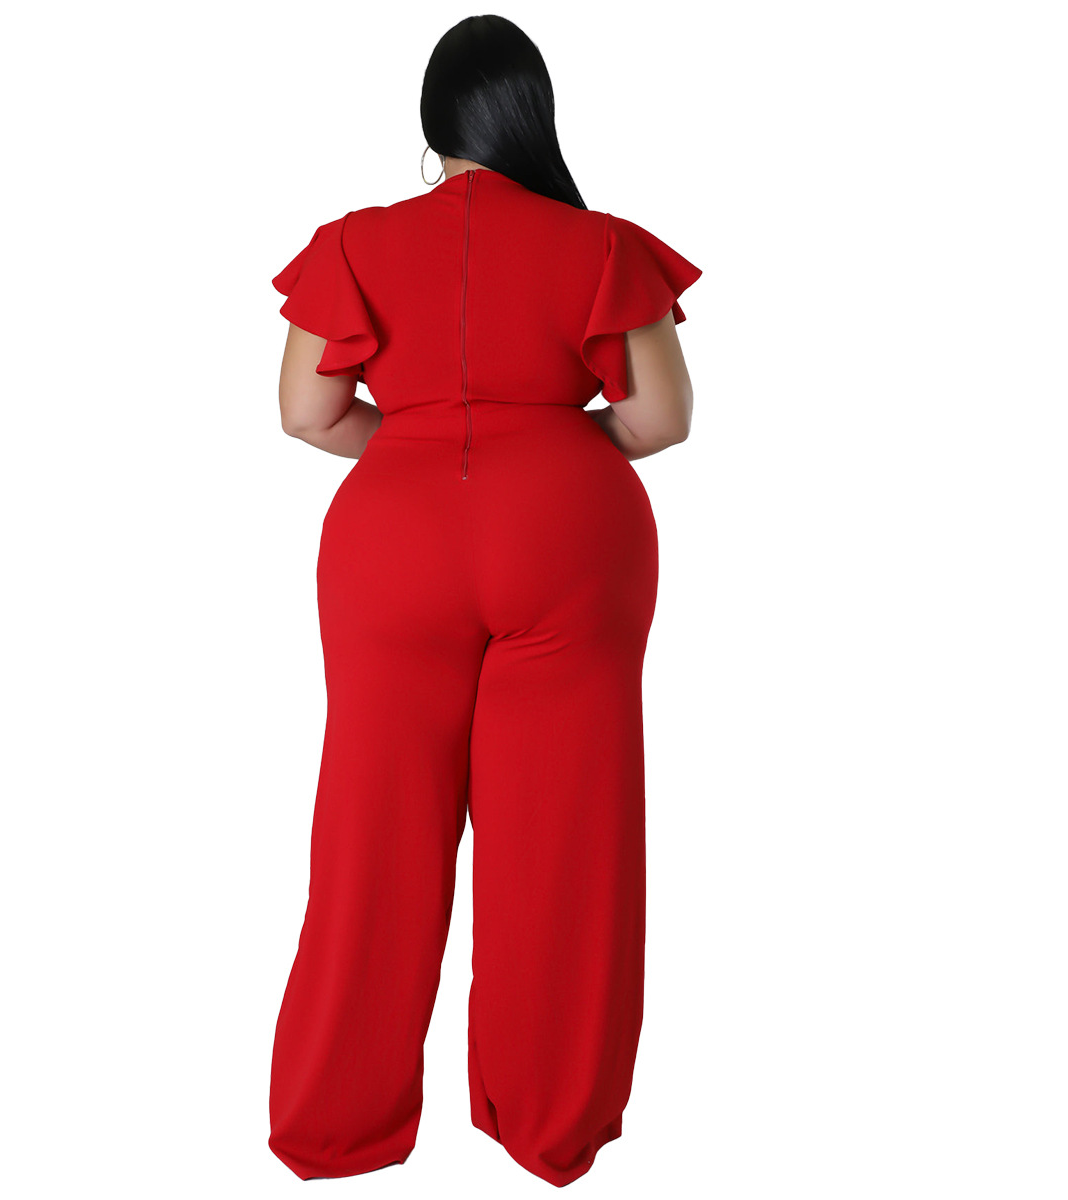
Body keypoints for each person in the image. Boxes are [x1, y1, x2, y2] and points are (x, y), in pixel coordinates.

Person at [267, 14, 701, 1189]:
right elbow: (660, 420)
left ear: (433, 123)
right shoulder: (601, 245)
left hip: (391, 545)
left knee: (371, 835)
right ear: (532, 116)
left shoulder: (354, 245)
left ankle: (334, 1124)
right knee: (563, 838)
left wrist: (420, 445)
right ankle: (547, 1123)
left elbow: (306, 413)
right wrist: (543, 450)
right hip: (571, 541)